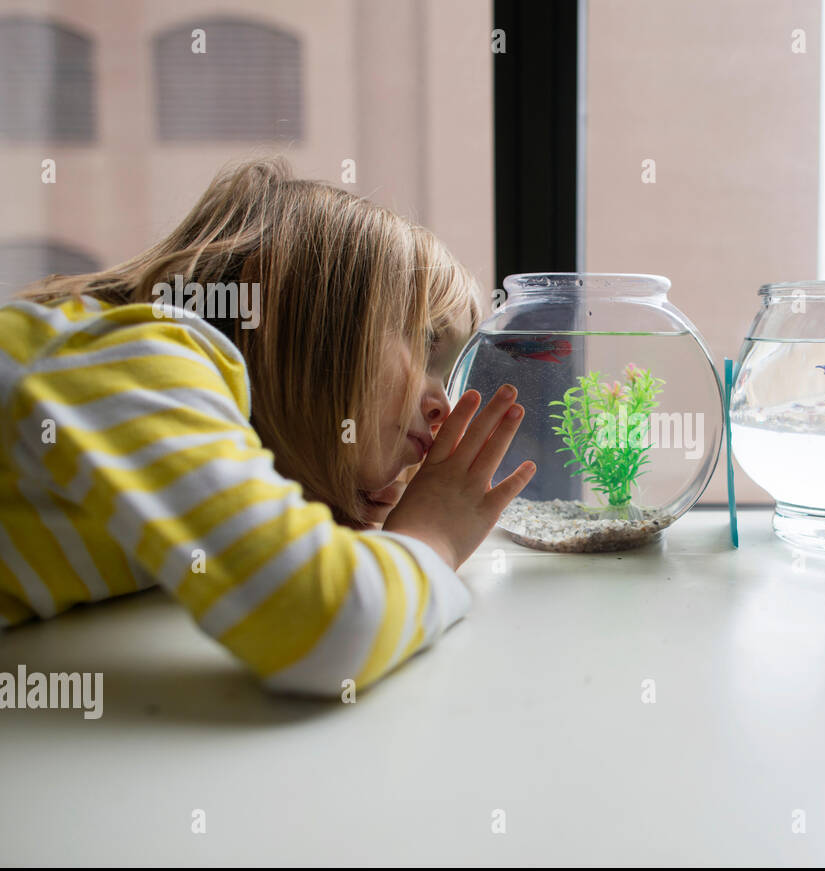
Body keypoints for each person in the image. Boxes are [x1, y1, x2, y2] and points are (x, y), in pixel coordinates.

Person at [0, 157, 535, 695]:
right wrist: (432, 538)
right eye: (424, 343)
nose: (444, 405)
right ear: (310, 318)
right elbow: (325, 625)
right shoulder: (133, 365)